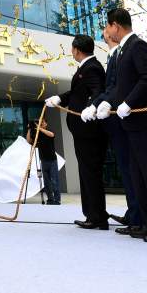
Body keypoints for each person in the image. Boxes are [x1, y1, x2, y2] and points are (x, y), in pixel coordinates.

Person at [94, 8, 147, 243]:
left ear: (116, 26)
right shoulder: (121, 52)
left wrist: (128, 102)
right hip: (132, 124)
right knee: (139, 176)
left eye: (108, 27)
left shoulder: (138, 46)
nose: (107, 32)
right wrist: (107, 103)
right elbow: (120, 86)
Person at [46, 34, 107, 228]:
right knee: (86, 170)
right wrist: (59, 98)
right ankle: (91, 214)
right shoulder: (85, 68)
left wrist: (93, 106)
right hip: (82, 130)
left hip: (89, 129)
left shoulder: (93, 68)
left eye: (72, 49)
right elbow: (76, 93)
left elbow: (98, 90)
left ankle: (97, 217)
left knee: (90, 171)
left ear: (76, 50)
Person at [95, 31, 141, 234]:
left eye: (107, 27)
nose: (104, 32)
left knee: (131, 170)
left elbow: (115, 87)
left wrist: (101, 102)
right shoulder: (112, 56)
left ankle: (137, 216)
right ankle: (133, 213)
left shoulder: (121, 54)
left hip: (125, 120)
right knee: (126, 170)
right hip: (116, 121)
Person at [26, 120, 61, 205]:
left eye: (43, 123)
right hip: (43, 161)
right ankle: (50, 199)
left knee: (54, 181)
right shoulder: (38, 135)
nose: (42, 124)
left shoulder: (48, 132)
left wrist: (39, 128)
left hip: (52, 160)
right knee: (46, 182)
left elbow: (52, 135)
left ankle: (57, 200)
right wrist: (30, 129)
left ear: (46, 124)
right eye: (41, 123)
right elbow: (29, 141)